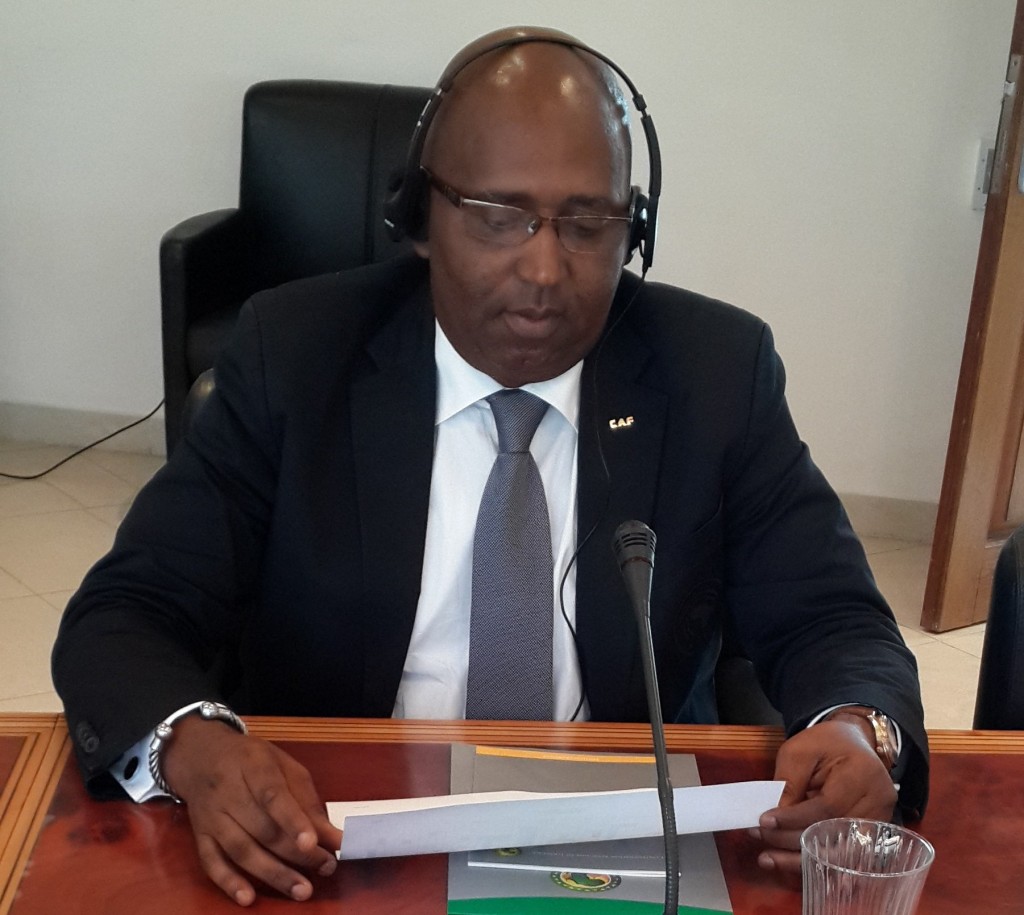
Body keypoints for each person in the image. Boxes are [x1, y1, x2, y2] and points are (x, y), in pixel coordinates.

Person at [52, 25, 928, 907]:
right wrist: (196, 745)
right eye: (500, 216)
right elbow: (127, 613)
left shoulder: (716, 372)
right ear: (419, 219)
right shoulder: (295, 356)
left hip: (626, 833)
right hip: (335, 833)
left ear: (635, 230)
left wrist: (861, 727)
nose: (544, 268)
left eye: (587, 222)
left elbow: (833, 616)